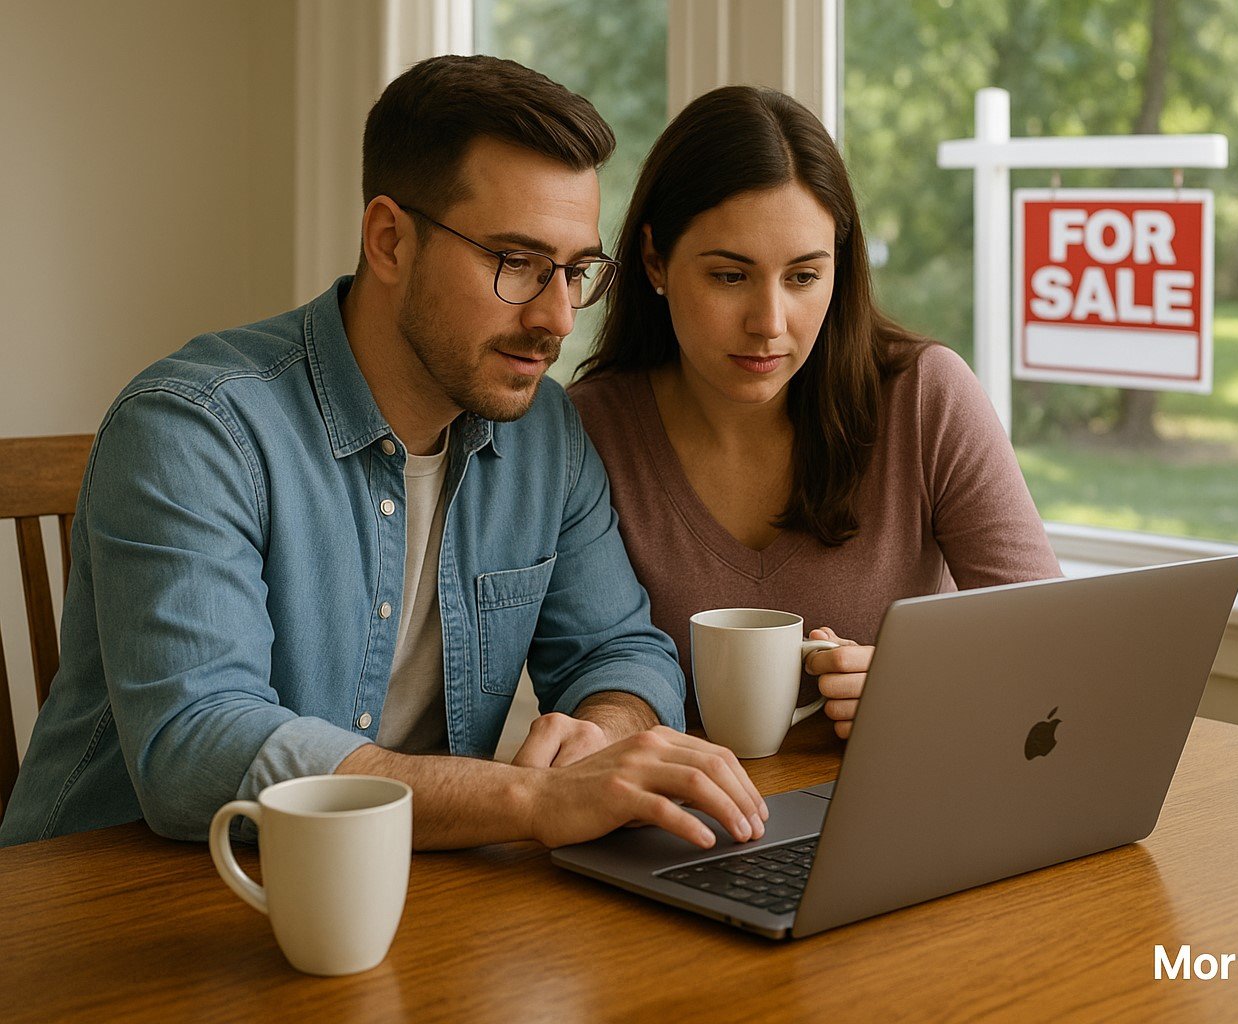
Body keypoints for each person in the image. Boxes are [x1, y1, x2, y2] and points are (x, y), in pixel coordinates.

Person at [0, 55, 766, 853]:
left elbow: (622, 649)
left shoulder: (544, 434)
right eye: (516, 263)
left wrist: (604, 732)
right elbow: (195, 746)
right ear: (390, 240)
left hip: (390, 895)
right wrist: (529, 799)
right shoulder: (192, 430)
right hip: (111, 912)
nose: (558, 319)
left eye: (575, 272)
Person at [569, 86, 1062, 738]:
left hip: (904, 813)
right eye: (729, 276)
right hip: (692, 827)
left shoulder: (924, 397)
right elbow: (590, 671)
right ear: (656, 260)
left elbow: (1055, 650)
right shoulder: (588, 433)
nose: (769, 324)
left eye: (803, 277)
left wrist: (930, 684)